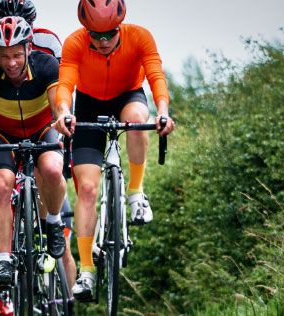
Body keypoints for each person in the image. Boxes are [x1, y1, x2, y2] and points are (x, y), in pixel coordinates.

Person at [52, 0, 176, 301]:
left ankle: (135, 193)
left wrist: (162, 112)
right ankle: (86, 271)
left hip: (128, 96)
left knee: (137, 120)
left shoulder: (140, 37)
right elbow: (65, 83)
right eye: (96, 35)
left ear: (121, 26)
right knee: (87, 190)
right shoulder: (74, 43)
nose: (103, 41)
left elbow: (155, 76)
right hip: (88, 105)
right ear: (86, 31)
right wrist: (64, 112)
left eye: (110, 34)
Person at [0, 0, 78, 292]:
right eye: (4, 56)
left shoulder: (47, 62)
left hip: (42, 128)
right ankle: (2, 261)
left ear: (28, 48)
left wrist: (63, 118)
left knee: (52, 169)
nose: (10, 62)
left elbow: (59, 102)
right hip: (3, 133)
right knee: (0, 184)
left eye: (16, 55)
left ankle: (52, 223)